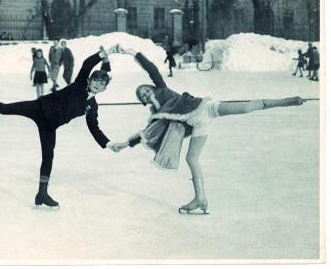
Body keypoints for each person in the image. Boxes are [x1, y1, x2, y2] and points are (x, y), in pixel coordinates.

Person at [111, 46, 306, 214]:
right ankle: (200, 199)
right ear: (143, 101)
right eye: (141, 95)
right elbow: (146, 133)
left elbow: (151, 68)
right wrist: (125, 144)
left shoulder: (161, 88)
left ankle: (288, 101)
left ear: (150, 87)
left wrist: (131, 52)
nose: (144, 93)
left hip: (205, 108)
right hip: (198, 124)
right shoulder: (157, 115)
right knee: (191, 159)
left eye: (144, 89)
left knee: (246, 107)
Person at [0, 45, 121, 208]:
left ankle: (42, 193)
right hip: (39, 108)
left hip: (49, 126)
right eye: (96, 80)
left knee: (48, 156)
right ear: (90, 80)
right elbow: (87, 64)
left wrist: (109, 144)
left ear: (104, 89)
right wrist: (106, 53)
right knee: (7, 109)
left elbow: (94, 128)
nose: (98, 84)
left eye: (102, 83)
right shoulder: (80, 84)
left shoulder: (92, 107)